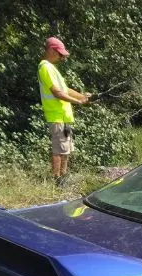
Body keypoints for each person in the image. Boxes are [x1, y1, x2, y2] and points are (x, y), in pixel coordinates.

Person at [38, 37, 91, 186]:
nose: (62, 57)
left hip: (65, 117)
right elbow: (57, 93)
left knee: (66, 149)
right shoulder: (45, 67)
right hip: (56, 116)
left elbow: (65, 90)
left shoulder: (53, 69)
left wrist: (84, 96)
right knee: (59, 150)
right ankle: (57, 180)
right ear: (50, 50)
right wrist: (78, 101)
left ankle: (64, 176)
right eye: (60, 54)